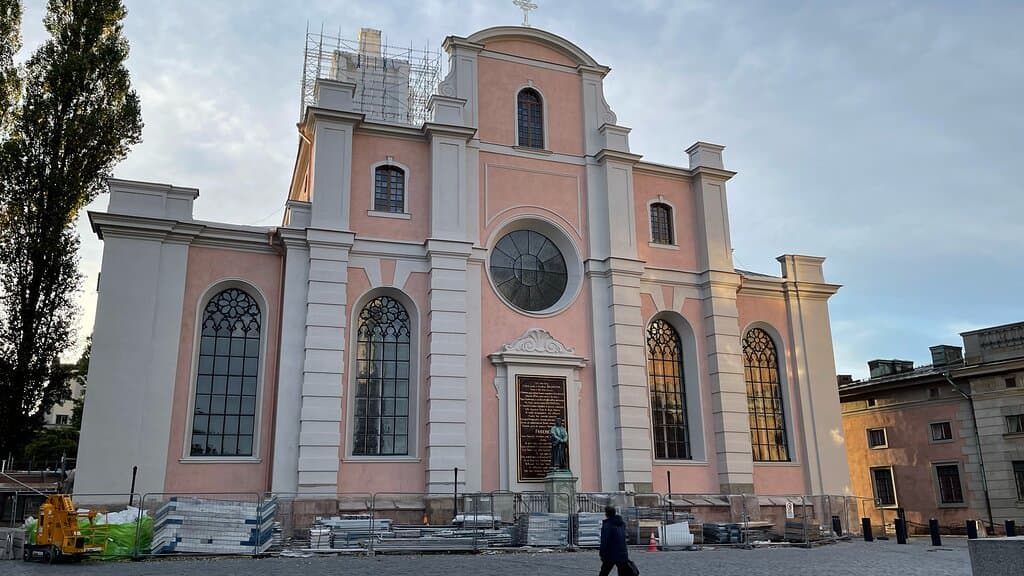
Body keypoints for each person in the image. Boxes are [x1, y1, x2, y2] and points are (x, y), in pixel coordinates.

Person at [599, 505, 634, 576]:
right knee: (622, 573)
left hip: (610, 553)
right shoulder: (621, 524)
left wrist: (602, 553)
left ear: (606, 514)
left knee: (604, 572)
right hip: (622, 553)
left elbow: (605, 541)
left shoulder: (608, 525)